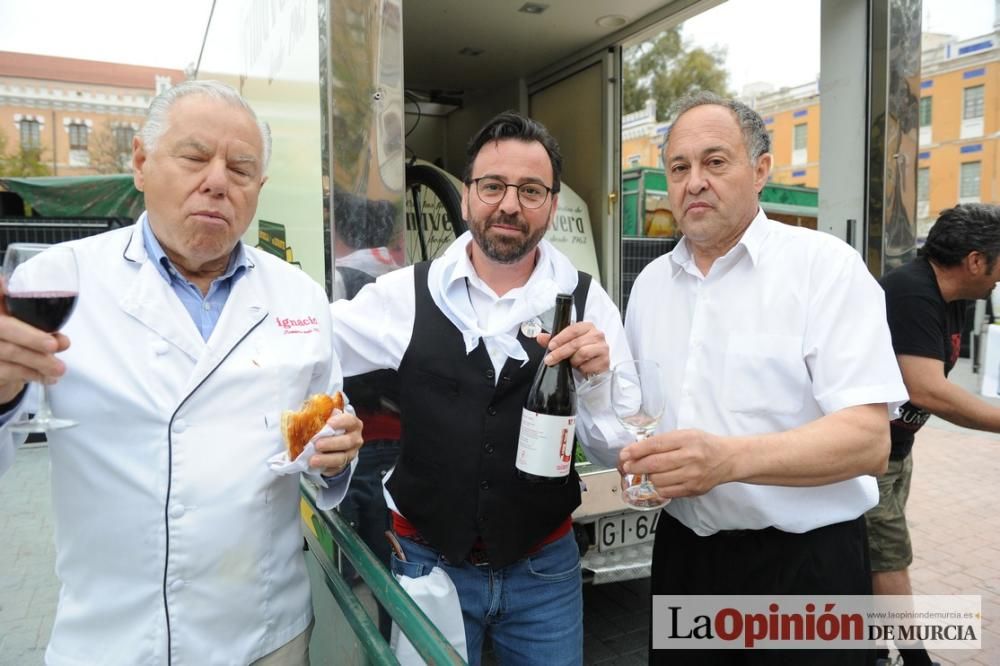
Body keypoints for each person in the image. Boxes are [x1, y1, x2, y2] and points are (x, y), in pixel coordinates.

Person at [0, 80, 364, 666]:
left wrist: (337, 453)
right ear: (142, 163)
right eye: (194, 157)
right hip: (114, 640)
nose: (218, 181)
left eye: (241, 168)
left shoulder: (298, 295)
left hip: (265, 634)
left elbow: (326, 431)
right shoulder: (58, 278)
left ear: (259, 188)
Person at [329, 110, 632, 665]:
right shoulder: (404, 295)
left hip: (544, 570)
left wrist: (597, 383)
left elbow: (619, 450)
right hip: (425, 559)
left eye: (531, 190)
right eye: (492, 186)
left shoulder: (588, 304)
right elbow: (307, 351)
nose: (510, 205)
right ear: (467, 198)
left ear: (552, 204)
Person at [618, 91, 908, 665]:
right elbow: (642, 416)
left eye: (715, 162)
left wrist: (726, 461)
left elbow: (870, 441)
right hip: (684, 558)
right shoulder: (650, 283)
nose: (694, 181)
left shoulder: (824, 268)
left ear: (761, 169)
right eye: (679, 167)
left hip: (803, 569)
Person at [867, 203, 1000, 666]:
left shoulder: (955, 300)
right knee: (888, 557)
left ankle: (871, 650)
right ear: (976, 260)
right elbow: (928, 389)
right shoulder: (911, 292)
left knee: (874, 557)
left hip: (897, 447)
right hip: (869, 455)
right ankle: (914, 659)